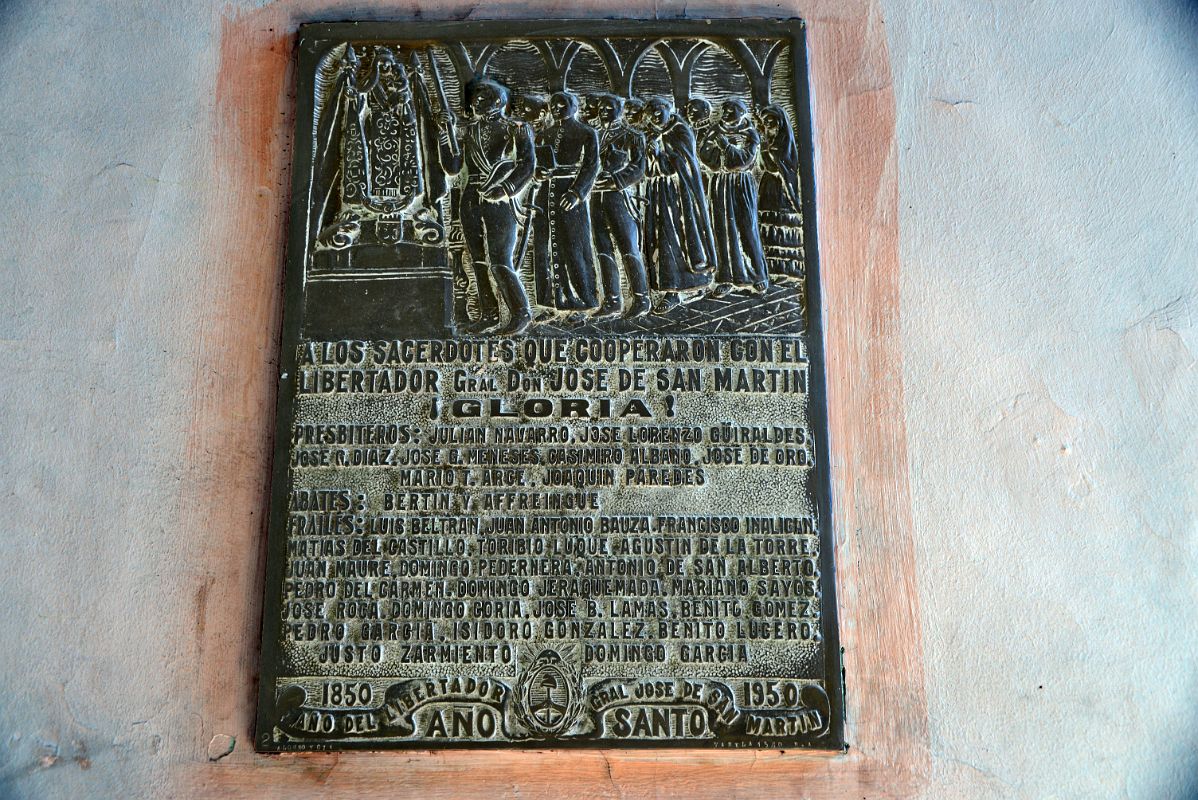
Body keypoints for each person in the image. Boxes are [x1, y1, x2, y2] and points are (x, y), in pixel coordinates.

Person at [437, 78, 536, 335]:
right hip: (472, 196)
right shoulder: (468, 131)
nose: (475, 102)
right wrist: (443, 137)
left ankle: (520, 312)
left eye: (482, 98)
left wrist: (505, 189)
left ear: (499, 101)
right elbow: (453, 168)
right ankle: (489, 313)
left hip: (500, 198)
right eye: (474, 99)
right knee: (477, 261)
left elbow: (527, 164)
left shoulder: (516, 128)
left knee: (500, 260)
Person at [528, 91, 600, 320]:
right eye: (553, 105)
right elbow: (533, 164)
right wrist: (538, 174)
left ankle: (581, 303)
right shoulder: (543, 135)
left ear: (574, 106)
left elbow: (590, 166)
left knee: (574, 246)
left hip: (569, 195)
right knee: (544, 247)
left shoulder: (587, 133)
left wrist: (577, 193)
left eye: (562, 104)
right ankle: (550, 304)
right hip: (545, 196)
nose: (557, 108)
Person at [639, 96, 715, 313]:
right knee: (661, 237)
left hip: (679, 195)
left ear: (667, 109)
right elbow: (649, 166)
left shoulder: (680, 130)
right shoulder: (654, 133)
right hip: (659, 192)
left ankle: (681, 289)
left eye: (657, 112)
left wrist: (657, 154)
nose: (653, 118)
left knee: (676, 237)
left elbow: (681, 162)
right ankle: (672, 287)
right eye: (650, 115)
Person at [589, 93, 651, 319]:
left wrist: (615, 180)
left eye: (609, 107)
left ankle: (642, 298)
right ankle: (612, 301)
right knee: (603, 248)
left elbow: (638, 167)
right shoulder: (593, 135)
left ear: (620, 110)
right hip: (596, 197)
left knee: (628, 248)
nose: (604, 111)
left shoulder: (632, 136)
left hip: (621, 197)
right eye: (602, 108)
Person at [699, 98, 769, 296]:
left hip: (741, 182)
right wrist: (720, 153)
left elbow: (745, 160)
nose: (726, 113)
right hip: (721, 182)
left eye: (731, 110)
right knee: (722, 228)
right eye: (725, 110)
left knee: (747, 226)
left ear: (741, 112)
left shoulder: (750, 133)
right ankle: (726, 277)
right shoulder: (715, 130)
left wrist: (726, 148)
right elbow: (704, 154)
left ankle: (757, 275)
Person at [756, 104, 805, 287]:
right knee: (771, 227)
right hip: (769, 187)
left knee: (783, 226)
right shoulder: (771, 140)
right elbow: (762, 166)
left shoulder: (784, 142)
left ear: (780, 122)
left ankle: (790, 270)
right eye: (765, 122)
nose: (768, 125)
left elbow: (774, 166)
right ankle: (775, 268)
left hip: (781, 188)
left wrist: (765, 148)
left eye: (771, 122)